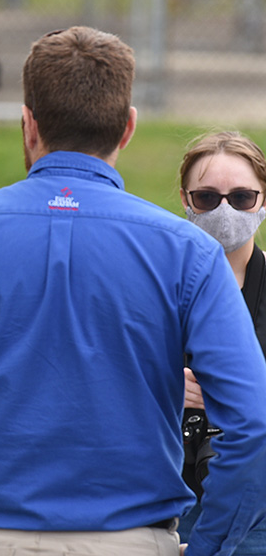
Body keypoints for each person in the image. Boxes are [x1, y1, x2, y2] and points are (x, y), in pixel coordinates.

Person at [0, 26, 266, 556]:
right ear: (127, 128)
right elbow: (253, 425)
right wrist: (209, 547)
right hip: (130, 539)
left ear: (28, 123)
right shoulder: (186, 253)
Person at [176, 131, 266, 554]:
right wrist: (166, 388)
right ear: (185, 199)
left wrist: (239, 398)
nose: (226, 210)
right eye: (208, 198)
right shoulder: (154, 288)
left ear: (263, 199)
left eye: (243, 197)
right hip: (169, 487)